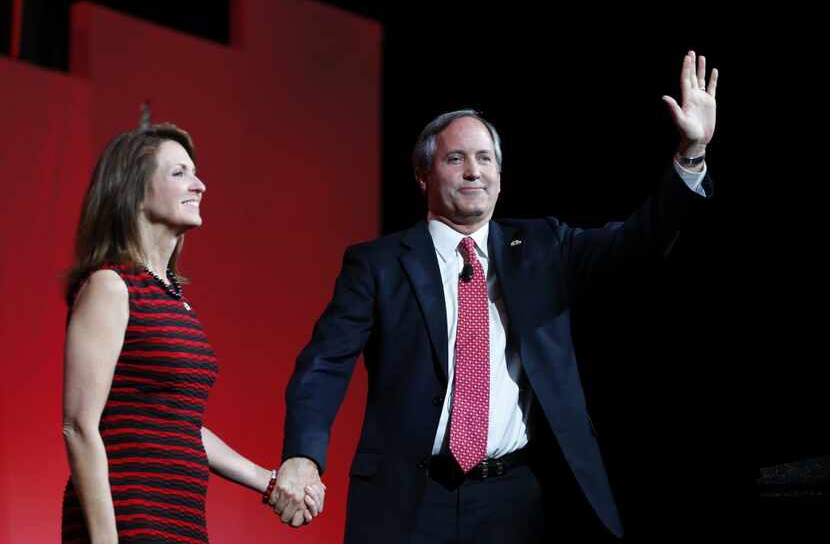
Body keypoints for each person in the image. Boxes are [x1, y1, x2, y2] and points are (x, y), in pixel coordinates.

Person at [269, 51, 717, 542]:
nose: (473, 172)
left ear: (500, 177)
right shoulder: (376, 264)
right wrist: (303, 455)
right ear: (423, 176)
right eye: (455, 158)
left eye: (485, 159)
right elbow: (325, 362)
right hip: (409, 496)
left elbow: (640, 240)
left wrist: (690, 154)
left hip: (516, 496)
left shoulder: (544, 245)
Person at [60, 123, 324, 543]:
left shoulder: (172, 300)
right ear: (134, 190)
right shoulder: (111, 286)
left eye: (195, 173)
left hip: (179, 521)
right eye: (179, 173)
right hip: (128, 520)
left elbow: (181, 423)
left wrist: (269, 482)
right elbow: (78, 424)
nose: (199, 185)